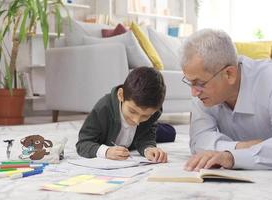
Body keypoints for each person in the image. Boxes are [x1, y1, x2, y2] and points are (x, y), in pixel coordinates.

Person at [180, 29, 272, 170]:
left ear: (229, 74)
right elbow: (199, 141)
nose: (193, 92)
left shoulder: (268, 81)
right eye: (190, 82)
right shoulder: (202, 92)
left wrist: (231, 157)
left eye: (199, 83)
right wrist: (239, 147)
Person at [76, 66, 176, 162]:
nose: (136, 121)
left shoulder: (154, 112)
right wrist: (106, 151)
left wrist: (148, 149)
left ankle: (159, 127)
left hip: (136, 137)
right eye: (132, 111)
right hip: (111, 133)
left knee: (170, 134)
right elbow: (83, 144)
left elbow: (146, 139)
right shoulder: (103, 108)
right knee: (163, 131)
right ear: (121, 95)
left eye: (146, 115)